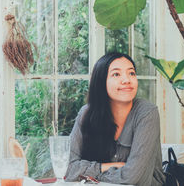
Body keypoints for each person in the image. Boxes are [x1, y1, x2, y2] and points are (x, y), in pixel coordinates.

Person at [65, 52, 165, 186]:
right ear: (101, 82)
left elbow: (132, 178)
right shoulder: (86, 113)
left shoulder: (147, 113)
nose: (127, 80)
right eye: (116, 74)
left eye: (131, 73)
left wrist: (88, 175)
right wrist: (108, 167)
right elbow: (68, 169)